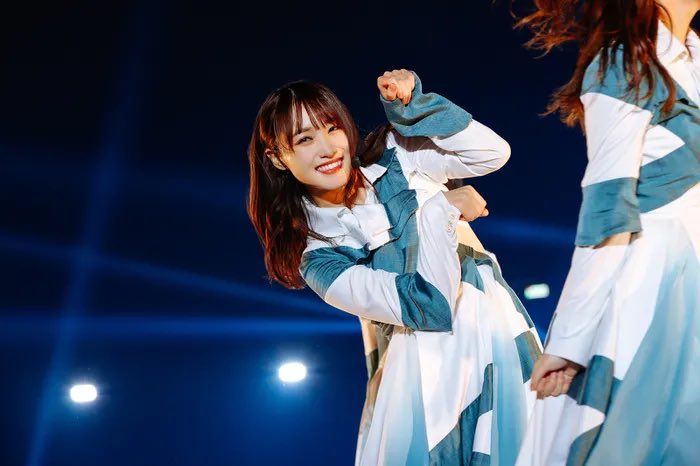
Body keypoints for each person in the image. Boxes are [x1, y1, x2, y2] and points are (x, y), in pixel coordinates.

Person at [248, 69, 541, 465]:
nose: (327, 148)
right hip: (427, 380)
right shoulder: (319, 260)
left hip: (497, 337)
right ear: (277, 158)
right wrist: (441, 210)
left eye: (332, 129)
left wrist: (415, 107)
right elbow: (429, 307)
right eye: (304, 139)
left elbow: (492, 153)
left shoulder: (397, 155)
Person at [515, 1, 700, 465]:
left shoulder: (692, 57)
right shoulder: (624, 62)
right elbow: (608, 208)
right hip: (656, 284)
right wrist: (570, 343)